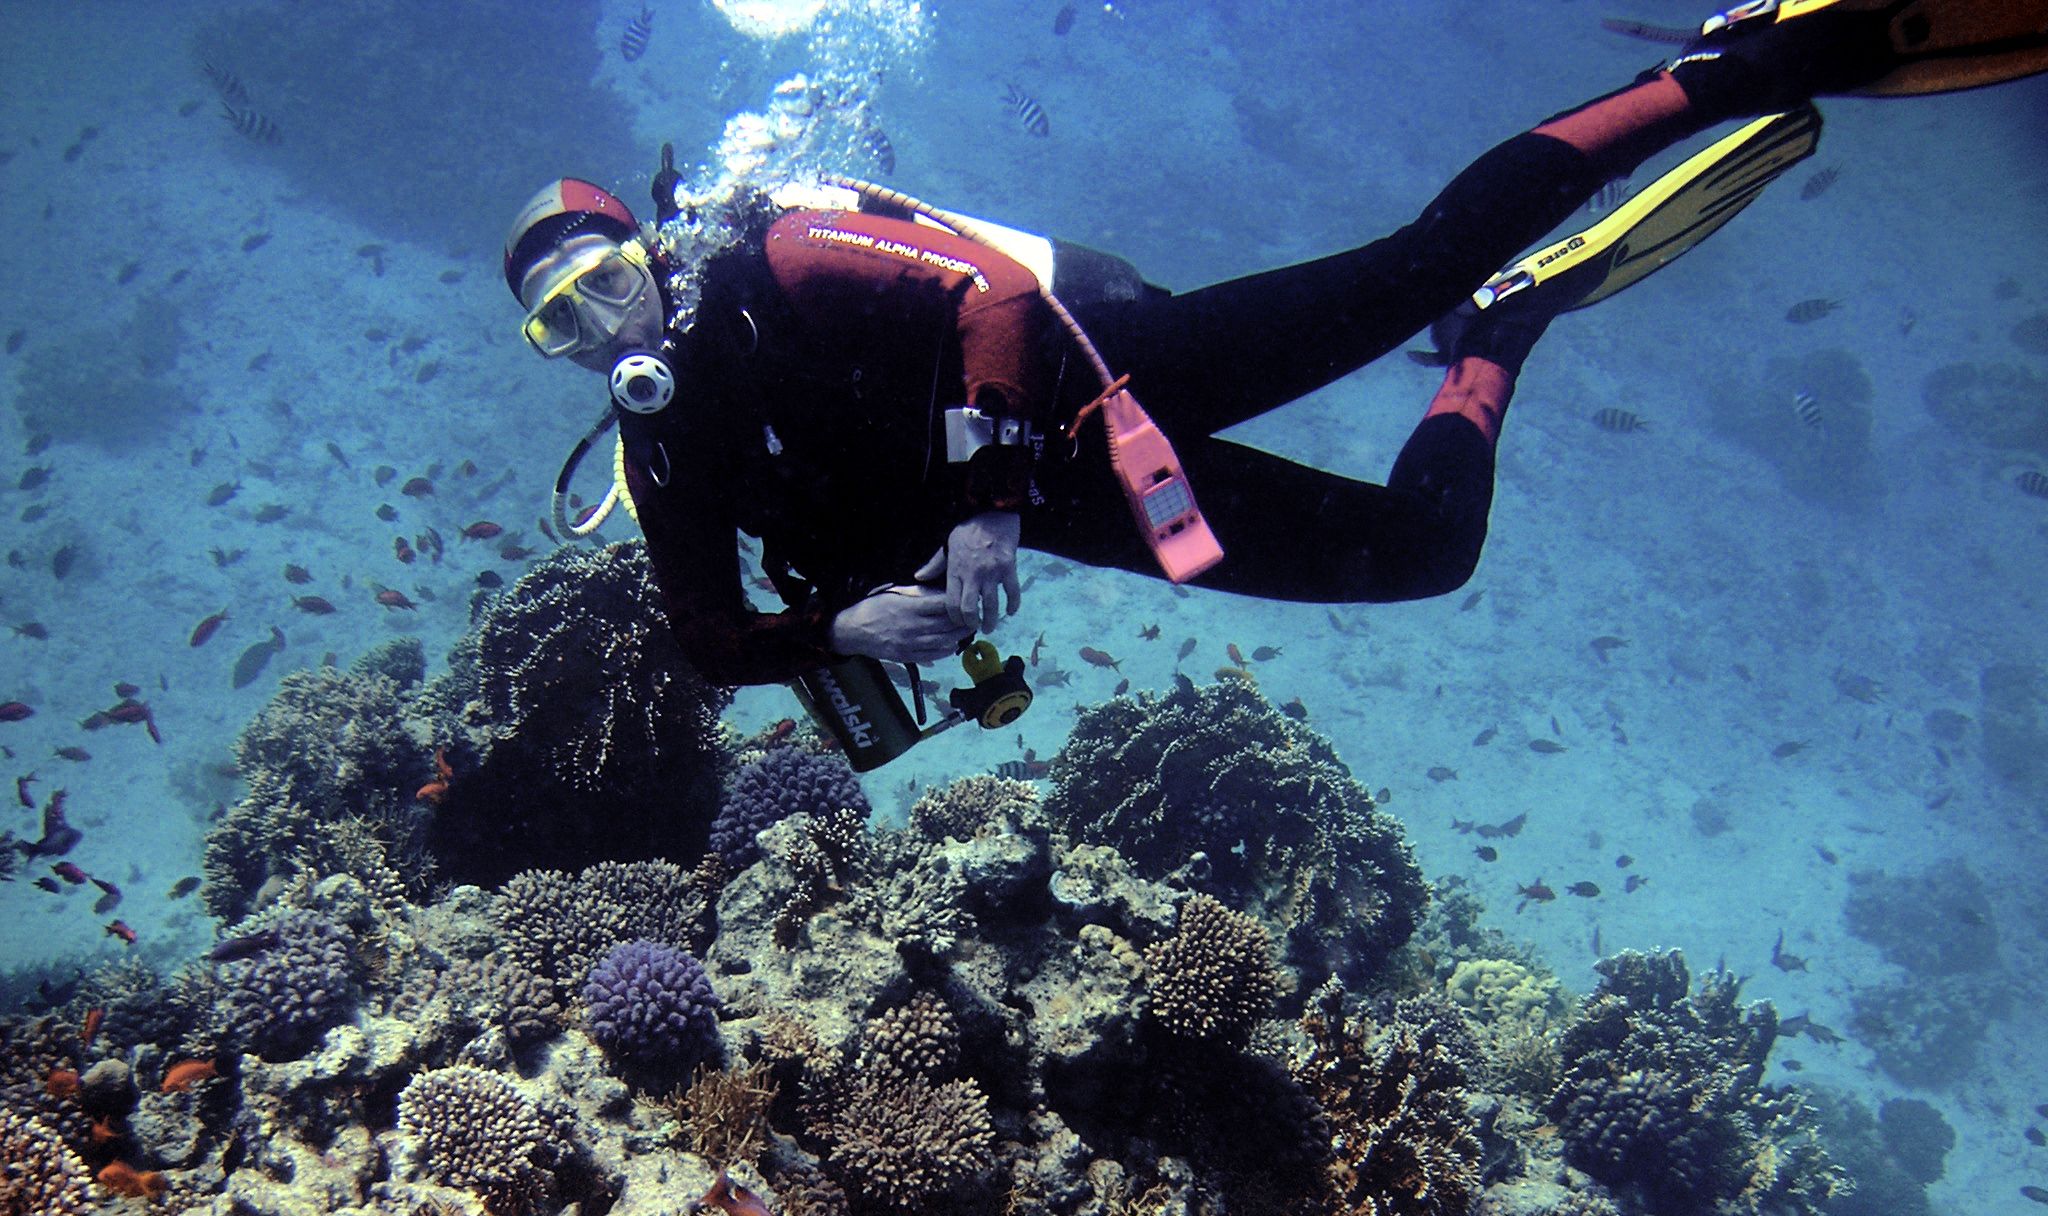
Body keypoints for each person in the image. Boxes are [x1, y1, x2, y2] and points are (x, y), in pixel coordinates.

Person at [504, 0, 2047, 702]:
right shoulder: (662, 448)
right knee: (1421, 555)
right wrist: (842, 638)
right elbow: (707, 635)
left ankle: (1727, 68)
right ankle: (1501, 343)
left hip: (1107, 369)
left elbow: (981, 286)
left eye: (601, 283)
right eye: (559, 325)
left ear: (648, 249)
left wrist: (976, 497)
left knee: (1407, 265)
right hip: (1081, 505)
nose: (600, 328)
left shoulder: (773, 252)